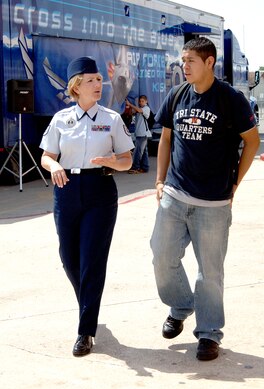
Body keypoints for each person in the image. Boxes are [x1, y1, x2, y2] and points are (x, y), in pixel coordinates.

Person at [150, 37, 260, 361]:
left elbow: (252, 142)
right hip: (175, 194)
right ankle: (181, 304)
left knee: (210, 272)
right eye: (182, 60)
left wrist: (234, 184)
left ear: (209, 62)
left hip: (213, 203)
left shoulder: (230, 99)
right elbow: (165, 138)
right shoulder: (177, 95)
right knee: (161, 257)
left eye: (190, 61)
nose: (183, 66)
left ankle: (209, 333)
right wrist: (159, 179)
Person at [39, 56, 134, 357]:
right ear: (76, 86)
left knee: (92, 260)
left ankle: (86, 331)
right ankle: (88, 304)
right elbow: (46, 155)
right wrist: (53, 165)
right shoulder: (60, 120)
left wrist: (112, 162)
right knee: (69, 258)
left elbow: (128, 160)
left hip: (100, 192)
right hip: (66, 190)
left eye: (99, 80)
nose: (99, 85)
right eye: (92, 80)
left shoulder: (111, 119)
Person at [126, 95, 152, 174]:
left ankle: (135, 167)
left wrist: (130, 105)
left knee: (138, 152)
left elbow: (139, 110)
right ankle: (145, 167)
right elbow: (131, 113)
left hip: (143, 134)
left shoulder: (146, 109)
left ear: (146, 102)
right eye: (140, 101)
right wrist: (129, 107)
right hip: (139, 133)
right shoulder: (138, 109)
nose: (141, 103)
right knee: (144, 152)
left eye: (142, 101)